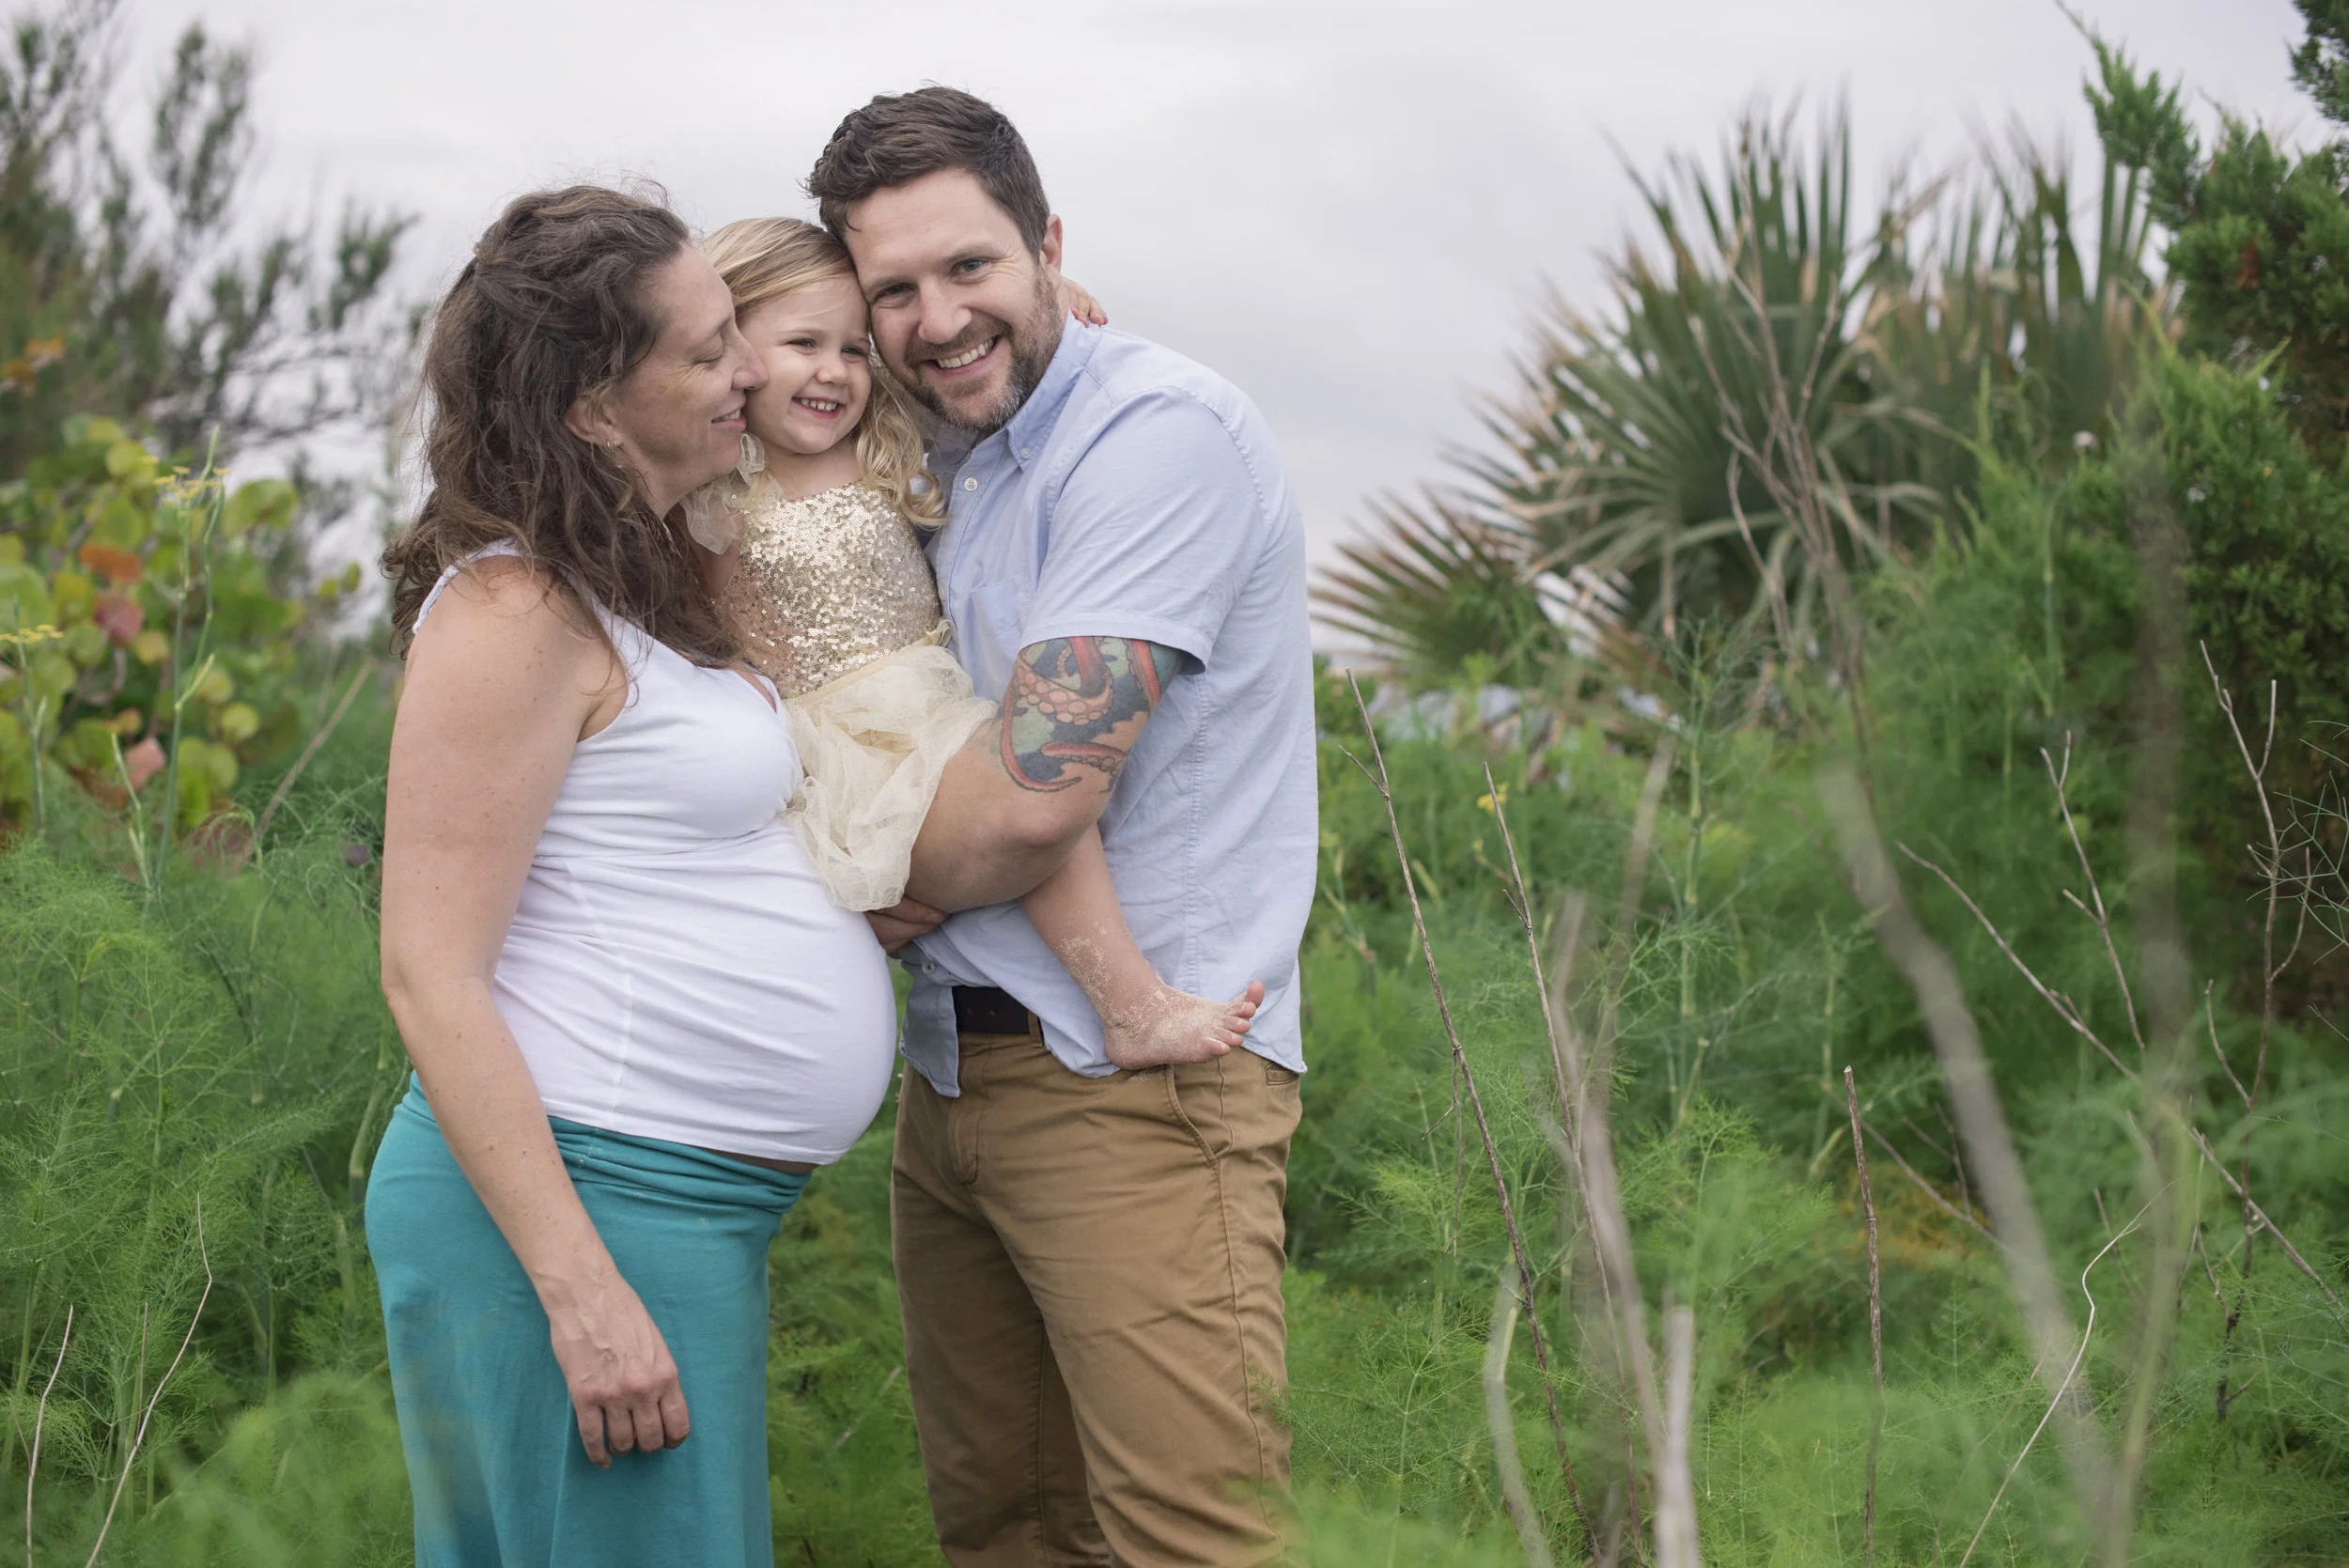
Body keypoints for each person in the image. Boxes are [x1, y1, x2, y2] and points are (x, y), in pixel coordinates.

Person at [809, 88, 1319, 1567]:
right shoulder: (943, 447)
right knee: (1008, 1533)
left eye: (970, 266)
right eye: (894, 290)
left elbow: (1036, 798)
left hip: (1133, 1086)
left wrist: (857, 884)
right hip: (950, 1080)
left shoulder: (1156, 437)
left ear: (1047, 242)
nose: (937, 318)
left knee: (1193, 1539)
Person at [367, 185, 898, 1568]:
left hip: (668, 1203)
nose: (751, 371)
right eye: (711, 350)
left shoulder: (640, 580)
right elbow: (429, 972)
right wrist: (580, 1287)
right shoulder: (512, 611)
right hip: (587, 1204)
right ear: (596, 410)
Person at [680, 216, 1262, 1069]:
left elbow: (958, 352)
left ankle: (1129, 1003)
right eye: (803, 344)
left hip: (926, 694)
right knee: (1026, 797)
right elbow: (693, 628)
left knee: (1043, 790)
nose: (834, 371)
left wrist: (1048, 294)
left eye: (852, 349)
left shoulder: (881, 438)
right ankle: (1132, 1006)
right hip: (836, 736)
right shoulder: (712, 485)